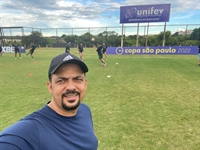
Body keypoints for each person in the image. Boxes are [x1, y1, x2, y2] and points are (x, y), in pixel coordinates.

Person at [0, 53, 98, 150]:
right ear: (50, 87)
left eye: (78, 79)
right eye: (61, 80)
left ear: (85, 83)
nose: (71, 87)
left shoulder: (85, 110)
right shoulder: (33, 129)